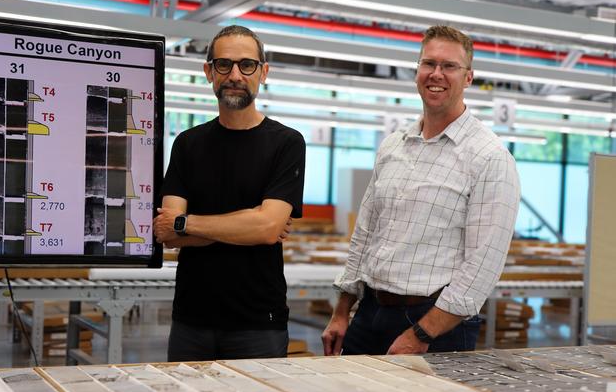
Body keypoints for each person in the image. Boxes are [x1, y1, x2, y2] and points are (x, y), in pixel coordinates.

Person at [322, 25, 520, 356]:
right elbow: (365, 234)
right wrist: (342, 310)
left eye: (449, 66)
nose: (436, 74)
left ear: (468, 78)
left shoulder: (489, 157)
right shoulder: (393, 146)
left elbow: (482, 266)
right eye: (428, 64)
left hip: (435, 325)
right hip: (369, 312)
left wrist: (422, 334)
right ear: (417, 70)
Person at [153, 25, 306, 361]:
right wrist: (248, 225)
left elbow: (266, 229)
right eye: (224, 65)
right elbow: (168, 233)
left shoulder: (287, 143)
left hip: (258, 322)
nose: (235, 74)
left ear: (263, 72)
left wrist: (186, 223)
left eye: (247, 65)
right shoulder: (187, 144)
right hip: (191, 320)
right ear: (209, 72)